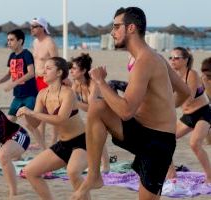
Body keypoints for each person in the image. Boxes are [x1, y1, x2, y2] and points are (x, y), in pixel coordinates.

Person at [71, 7, 190, 200]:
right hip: (145, 133)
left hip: (157, 143)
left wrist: (100, 82)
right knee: (98, 108)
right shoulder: (154, 57)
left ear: (131, 28)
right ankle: (94, 175)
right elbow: (185, 91)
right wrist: (165, 110)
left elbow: (126, 111)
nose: (112, 32)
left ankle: (94, 175)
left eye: (117, 26)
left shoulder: (145, 61)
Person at [16, 57, 89, 200]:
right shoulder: (42, 94)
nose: (44, 71)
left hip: (82, 142)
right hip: (63, 144)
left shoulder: (68, 93)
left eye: (49, 68)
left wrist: (32, 113)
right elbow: (35, 123)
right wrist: (25, 114)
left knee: (73, 172)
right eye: (44, 68)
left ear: (59, 72)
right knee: (30, 171)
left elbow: (61, 119)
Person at [0, 29, 43, 149]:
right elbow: (9, 73)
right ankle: (9, 147)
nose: (9, 42)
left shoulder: (26, 54)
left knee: (30, 124)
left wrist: (14, 83)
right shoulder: (11, 56)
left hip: (30, 95)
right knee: (8, 123)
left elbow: (31, 73)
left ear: (20, 41)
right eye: (8, 40)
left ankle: (44, 148)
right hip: (18, 96)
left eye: (11, 40)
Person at [166, 47, 211, 182]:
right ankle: (171, 173)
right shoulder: (172, 76)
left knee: (194, 144)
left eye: (176, 58)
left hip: (203, 113)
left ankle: (209, 176)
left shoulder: (191, 74)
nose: (173, 60)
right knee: (164, 140)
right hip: (187, 117)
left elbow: (188, 97)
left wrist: (168, 104)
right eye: (171, 58)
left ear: (185, 60)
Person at [69, 53, 110, 173]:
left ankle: (105, 165)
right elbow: (70, 103)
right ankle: (100, 165)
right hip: (95, 114)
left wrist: (74, 102)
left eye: (74, 68)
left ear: (83, 71)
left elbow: (91, 107)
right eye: (71, 68)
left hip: (107, 112)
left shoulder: (93, 84)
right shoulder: (76, 84)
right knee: (94, 137)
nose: (71, 71)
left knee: (96, 137)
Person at [31, 17, 59, 147]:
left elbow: (57, 62)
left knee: (53, 111)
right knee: (40, 111)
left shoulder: (50, 43)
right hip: (37, 79)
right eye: (31, 26)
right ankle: (40, 140)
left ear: (42, 28)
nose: (32, 29)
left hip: (48, 80)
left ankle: (54, 141)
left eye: (35, 26)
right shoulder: (35, 43)